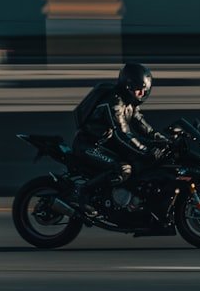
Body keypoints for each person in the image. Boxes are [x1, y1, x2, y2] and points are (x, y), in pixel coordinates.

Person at [71, 62, 169, 216]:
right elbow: (122, 134)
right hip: (89, 145)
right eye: (139, 89)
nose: (142, 94)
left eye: (145, 90)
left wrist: (165, 141)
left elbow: (144, 127)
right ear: (128, 86)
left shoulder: (130, 103)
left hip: (106, 145)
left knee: (139, 163)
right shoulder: (114, 102)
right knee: (123, 169)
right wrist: (145, 151)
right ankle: (84, 192)